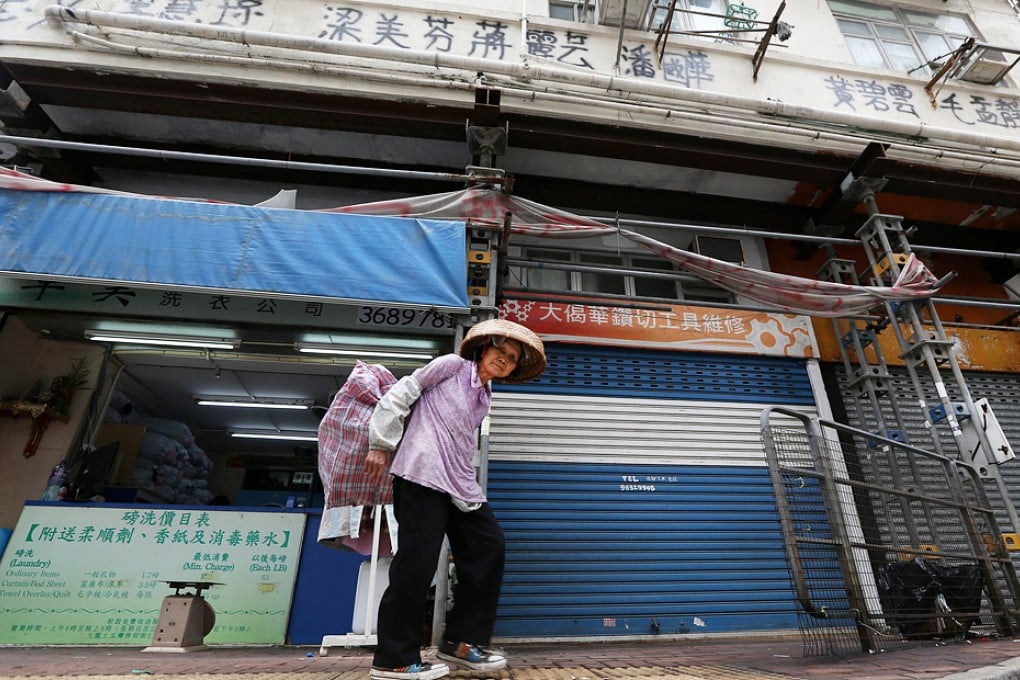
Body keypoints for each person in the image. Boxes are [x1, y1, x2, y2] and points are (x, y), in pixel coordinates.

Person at [363, 319, 546, 680]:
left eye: (511, 358)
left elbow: (462, 443)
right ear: (483, 348)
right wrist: (380, 443)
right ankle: (393, 659)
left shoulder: (484, 397)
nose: (503, 360)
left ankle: (462, 642)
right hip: (421, 474)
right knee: (417, 563)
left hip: (457, 483)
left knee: (488, 546)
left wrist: (468, 487)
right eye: (500, 351)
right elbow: (404, 392)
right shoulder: (451, 365)